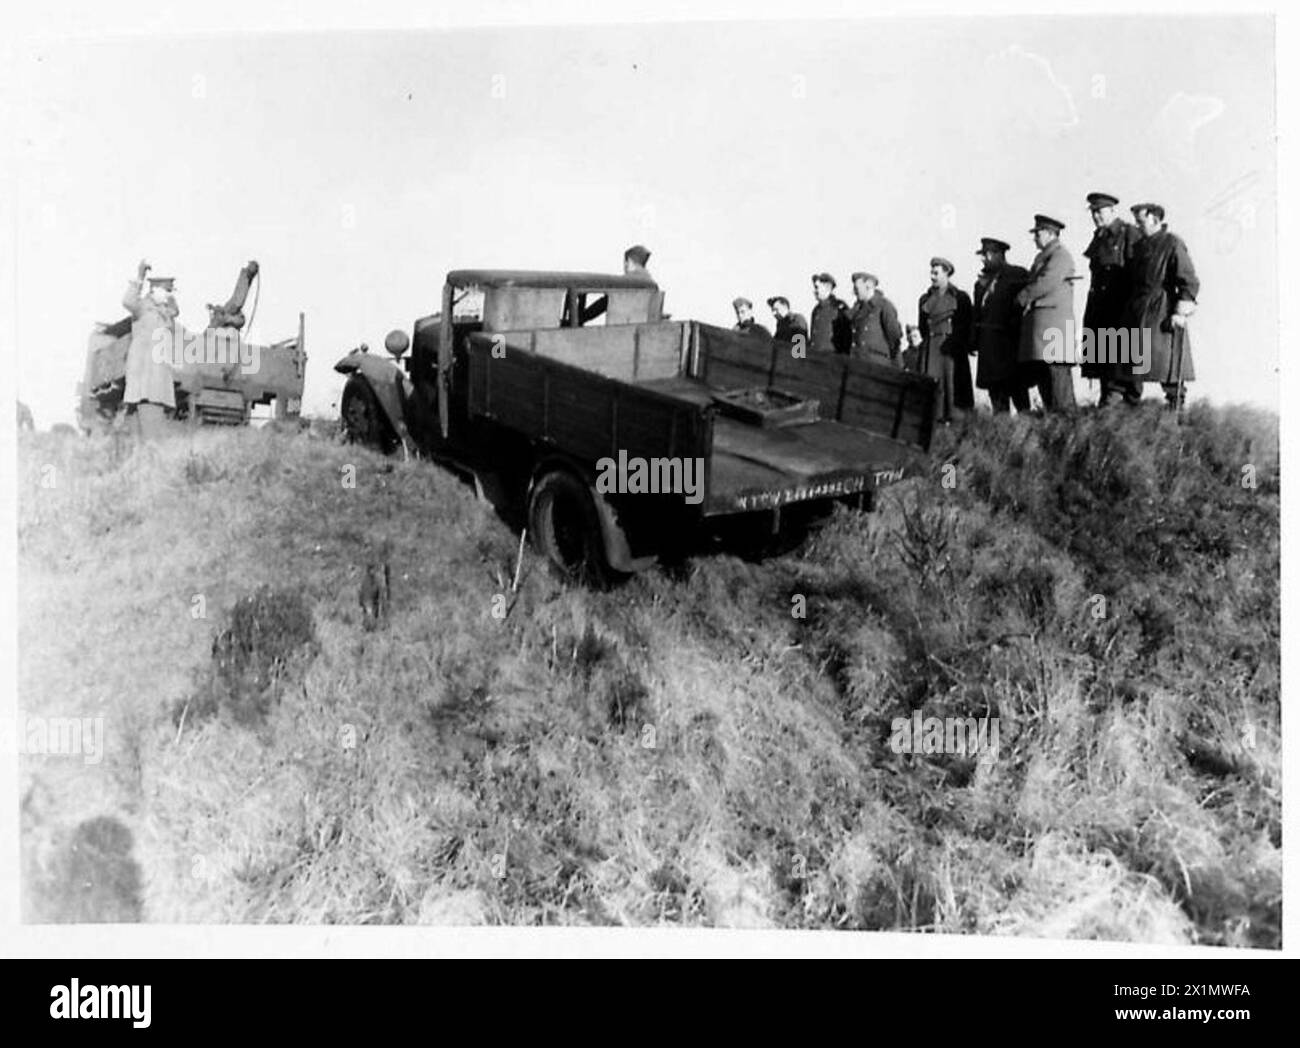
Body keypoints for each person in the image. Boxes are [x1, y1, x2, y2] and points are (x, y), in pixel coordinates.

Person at [1122, 203, 1200, 409]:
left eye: (1141, 221)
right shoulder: (1138, 247)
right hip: (1137, 312)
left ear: (1155, 220)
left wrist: (1179, 312)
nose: (1137, 226)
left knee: (1168, 367)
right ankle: (1130, 417)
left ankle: (1176, 415)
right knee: (1132, 369)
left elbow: (1189, 280)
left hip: (1162, 312)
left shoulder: (1172, 243)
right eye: (1136, 222)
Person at [1082, 192, 1144, 405]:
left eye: (1099, 211)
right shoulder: (1099, 238)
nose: (1096, 216)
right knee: (1104, 370)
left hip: (1122, 314)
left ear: (1112, 210)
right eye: (1093, 212)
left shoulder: (1129, 234)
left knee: (1126, 373)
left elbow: (1139, 273)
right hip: (1101, 313)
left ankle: (1125, 416)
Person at [1016, 215, 1077, 412]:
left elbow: (1047, 281)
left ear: (1051, 233)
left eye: (1038, 233)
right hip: (1046, 334)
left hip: (1054, 332)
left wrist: (1023, 296)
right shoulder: (1046, 256)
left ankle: (1069, 434)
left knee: (1059, 392)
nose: (1035, 238)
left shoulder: (1060, 256)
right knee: (1048, 387)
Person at [971, 237, 1031, 414]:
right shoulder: (980, 283)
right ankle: (1001, 431)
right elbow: (977, 314)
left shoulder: (1017, 275)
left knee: (1018, 393)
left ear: (1000, 255)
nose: (984, 258)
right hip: (988, 346)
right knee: (996, 395)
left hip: (1009, 345)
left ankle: (1026, 430)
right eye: (983, 254)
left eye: (988, 254)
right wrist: (973, 340)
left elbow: (1025, 304)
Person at [122, 259, 179, 439]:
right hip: (142, 380)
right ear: (155, 290)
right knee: (143, 437)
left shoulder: (165, 314)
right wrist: (140, 276)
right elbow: (128, 300)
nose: (170, 295)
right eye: (167, 291)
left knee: (151, 438)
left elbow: (175, 312)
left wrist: (169, 303)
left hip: (157, 383)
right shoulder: (143, 308)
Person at [917, 257, 973, 424]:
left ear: (947, 273)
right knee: (933, 396)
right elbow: (922, 327)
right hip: (931, 350)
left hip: (951, 351)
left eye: (936, 273)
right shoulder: (924, 299)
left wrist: (957, 346)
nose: (932, 276)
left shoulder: (960, 297)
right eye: (931, 272)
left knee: (953, 392)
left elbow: (966, 325)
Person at [848, 272, 903, 364]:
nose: (854, 292)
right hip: (857, 363)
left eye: (857, 288)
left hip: (876, 364)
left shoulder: (884, 306)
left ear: (868, 285)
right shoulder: (857, 310)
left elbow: (894, 337)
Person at [809, 273, 851, 354]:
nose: (815, 291)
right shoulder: (816, 310)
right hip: (816, 356)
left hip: (831, 357)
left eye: (817, 287)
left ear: (827, 287)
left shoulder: (838, 308)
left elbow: (846, 337)